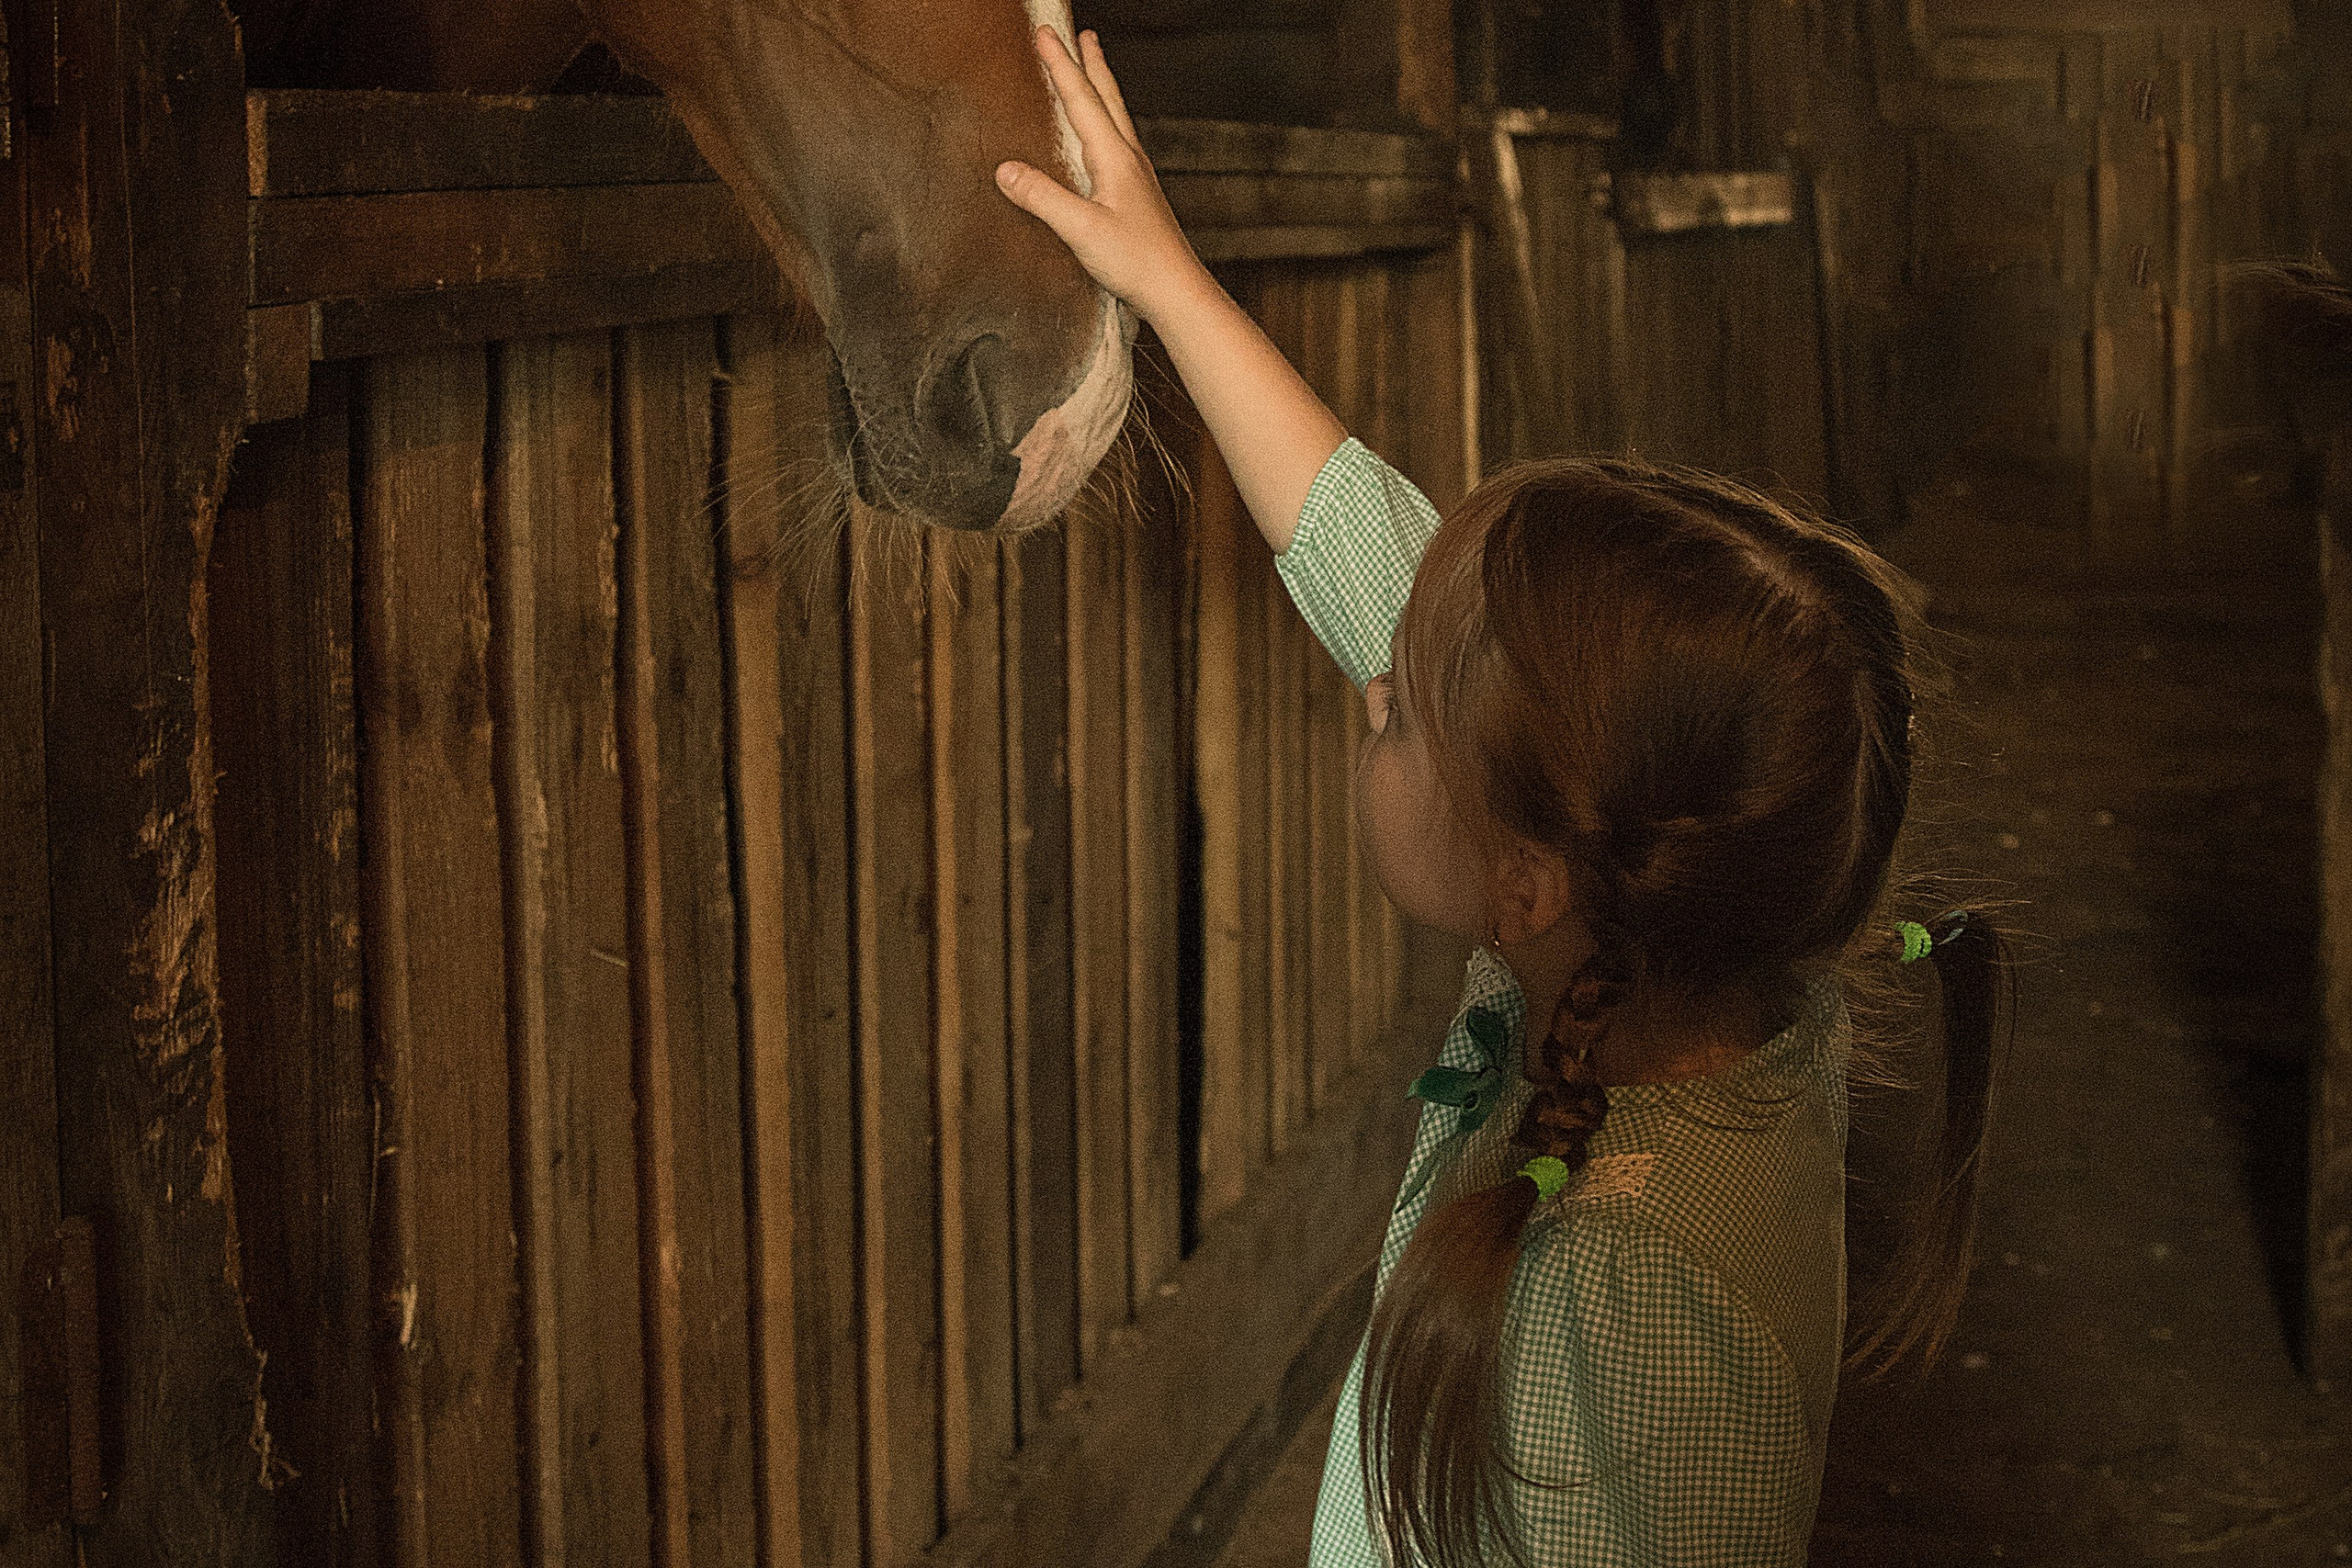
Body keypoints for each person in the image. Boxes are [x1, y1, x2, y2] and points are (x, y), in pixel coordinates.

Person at [997, 27, 2008, 1567]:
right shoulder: (1714, 977)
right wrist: (1171, 281)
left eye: (1398, 708)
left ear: (1531, 873)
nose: (1371, 685)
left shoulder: (1646, 1300)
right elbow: (1374, 559)